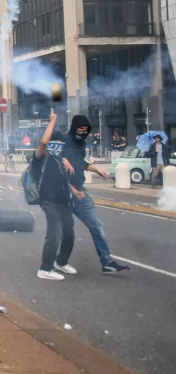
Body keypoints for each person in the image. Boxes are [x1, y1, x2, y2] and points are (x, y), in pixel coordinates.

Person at [59, 115, 129, 274]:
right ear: (73, 127)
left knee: (96, 226)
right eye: (80, 129)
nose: (83, 132)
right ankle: (56, 262)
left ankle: (107, 263)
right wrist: (63, 160)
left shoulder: (80, 144)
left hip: (80, 191)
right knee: (64, 231)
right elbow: (54, 162)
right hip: (63, 192)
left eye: (86, 130)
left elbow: (80, 163)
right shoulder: (64, 141)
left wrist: (97, 170)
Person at [30, 109, 76, 281]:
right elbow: (42, 143)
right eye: (54, 144)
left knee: (69, 234)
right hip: (48, 201)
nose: (57, 148)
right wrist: (52, 122)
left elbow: (63, 181)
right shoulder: (39, 158)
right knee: (54, 234)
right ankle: (45, 268)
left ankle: (61, 262)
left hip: (63, 201)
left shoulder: (59, 161)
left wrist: (75, 192)